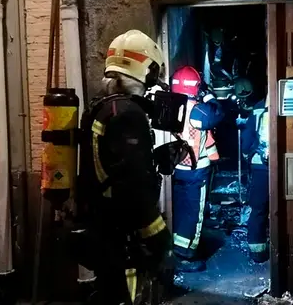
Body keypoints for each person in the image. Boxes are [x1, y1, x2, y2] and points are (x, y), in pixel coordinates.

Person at [77, 29, 175, 304]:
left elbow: (110, 166)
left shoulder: (103, 106)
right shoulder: (127, 115)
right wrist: (159, 241)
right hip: (123, 236)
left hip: (102, 227)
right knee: (127, 295)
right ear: (149, 69)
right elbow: (133, 186)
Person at [170, 66, 226, 272]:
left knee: (178, 207)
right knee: (194, 212)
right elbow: (218, 113)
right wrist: (209, 96)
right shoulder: (198, 110)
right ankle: (185, 255)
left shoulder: (168, 107)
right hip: (196, 170)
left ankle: (175, 247)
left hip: (174, 169)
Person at [241, 96, 270, 263]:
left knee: (258, 208)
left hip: (259, 165)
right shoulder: (283, 102)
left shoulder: (258, 107)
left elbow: (247, 138)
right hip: (283, 164)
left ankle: (257, 253)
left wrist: (249, 153)